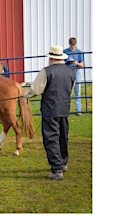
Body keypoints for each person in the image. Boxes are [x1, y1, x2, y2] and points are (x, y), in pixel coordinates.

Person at [24, 45, 76, 180]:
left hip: (50, 109)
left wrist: (26, 95)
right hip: (64, 109)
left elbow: (36, 89)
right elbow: (70, 91)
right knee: (63, 136)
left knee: (51, 138)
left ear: (52, 58)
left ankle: (57, 169)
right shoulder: (71, 72)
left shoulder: (46, 71)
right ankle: (63, 163)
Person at [63, 37, 85, 116]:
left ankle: (78, 110)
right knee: (67, 91)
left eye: (74, 45)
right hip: (68, 73)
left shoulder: (79, 52)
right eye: (71, 45)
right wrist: (67, 61)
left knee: (77, 92)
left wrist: (75, 62)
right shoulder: (65, 52)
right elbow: (62, 62)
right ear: (69, 44)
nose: (72, 47)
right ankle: (66, 110)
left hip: (77, 72)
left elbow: (82, 65)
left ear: (76, 44)